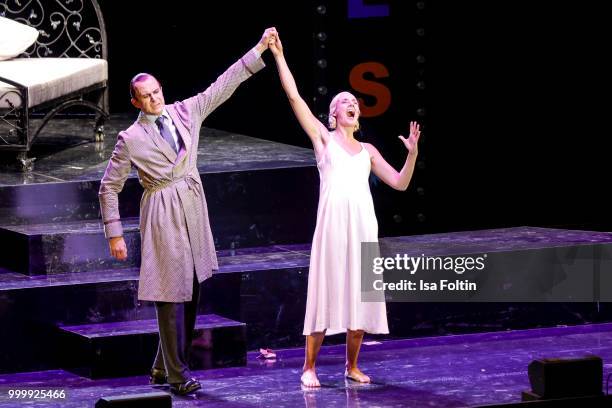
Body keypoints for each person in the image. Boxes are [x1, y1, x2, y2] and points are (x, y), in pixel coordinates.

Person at [99, 27, 277, 396]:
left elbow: (221, 85)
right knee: (170, 292)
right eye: (145, 97)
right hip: (162, 211)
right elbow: (109, 187)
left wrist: (259, 48)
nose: (154, 100)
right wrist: (115, 234)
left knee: (191, 288)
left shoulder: (185, 112)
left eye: (157, 92)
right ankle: (179, 375)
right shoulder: (129, 139)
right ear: (135, 103)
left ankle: (163, 368)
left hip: (193, 208)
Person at [268, 33, 421, 387]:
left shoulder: (368, 149)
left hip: (363, 229)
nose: (352, 103)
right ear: (334, 115)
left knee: (359, 299)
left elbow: (399, 183)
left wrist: (412, 153)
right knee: (326, 294)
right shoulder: (324, 141)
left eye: (354, 101)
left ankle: (351, 366)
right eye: (344, 101)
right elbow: (294, 97)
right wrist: (279, 54)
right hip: (334, 228)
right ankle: (309, 367)